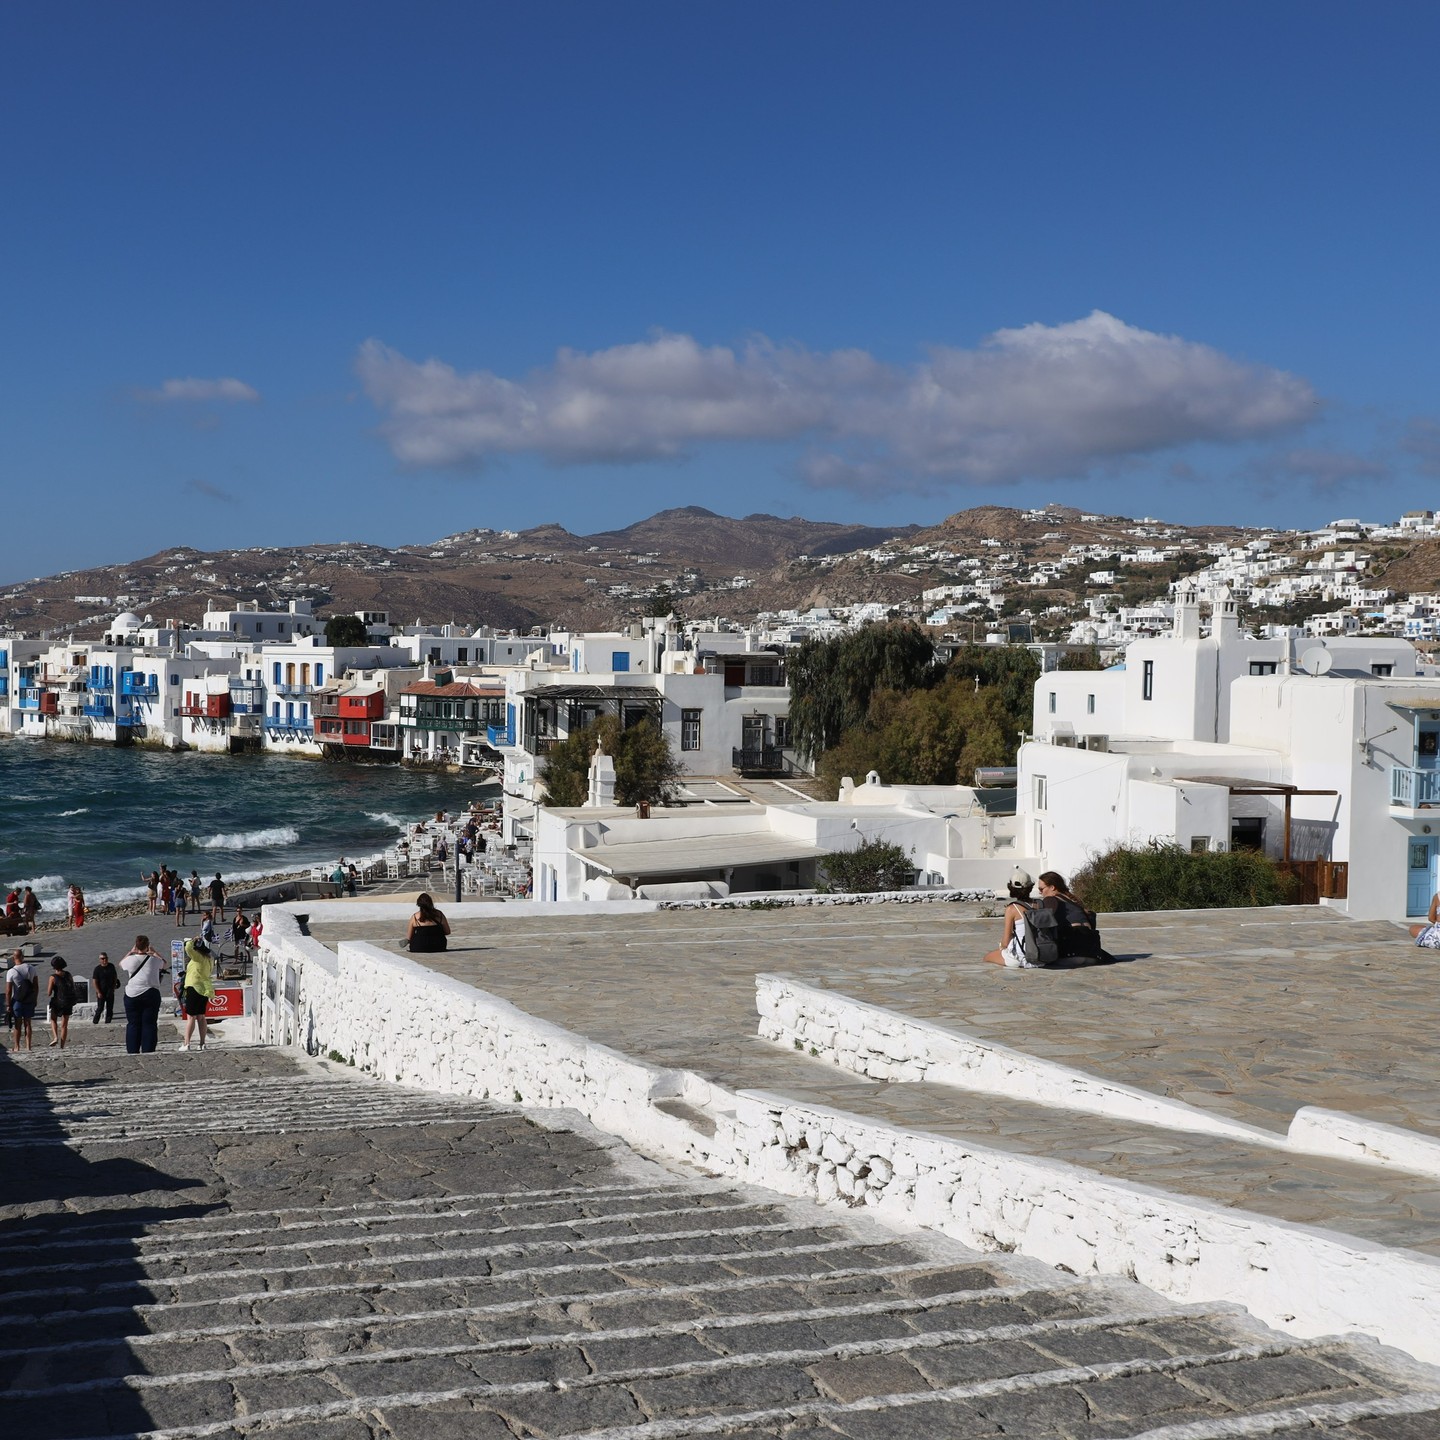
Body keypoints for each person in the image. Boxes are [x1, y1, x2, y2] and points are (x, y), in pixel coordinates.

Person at [1036, 871, 1106, 964]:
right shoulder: (1073, 901)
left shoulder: (1050, 900)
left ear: (1052, 887)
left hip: (1071, 955)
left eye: (1041, 889)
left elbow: (1041, 923)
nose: (1040, 892)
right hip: (1092, 955)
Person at [983, 869, 1040, 968]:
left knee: (987, 957)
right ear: (1030, 888)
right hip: (1042, 955)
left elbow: (1006, 941)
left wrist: (1002, 947)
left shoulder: (1012, 909)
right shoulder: (1039, 904)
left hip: (1022, 957)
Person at [120, 934, 166, 1054]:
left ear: (136, 945)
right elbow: (164, 963)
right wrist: (154, 952)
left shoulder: (130, 960)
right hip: (150, 992)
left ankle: (132, 1049)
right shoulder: (154, 960)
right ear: (147, 946)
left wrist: (130, 952)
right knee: (149, 1023)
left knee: (133, 1024)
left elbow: (121, 964)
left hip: (132, 994)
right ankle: (148, 1049)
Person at [179, 936, 215, 1051]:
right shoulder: (209, 959)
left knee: (191, 1017)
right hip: (205, 989)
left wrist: (192, 940)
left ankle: (187, 1043)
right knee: (201, 1016)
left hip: (194, 987)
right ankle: (202, 1043)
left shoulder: (197, 957)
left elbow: (188, 948)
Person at [6, 949, 37, 1051]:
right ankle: (28, 1046)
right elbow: (36, 986)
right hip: (29, 1000)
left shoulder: (11, 972)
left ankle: (17, 1046)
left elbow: (8, 991)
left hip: (17, 1001)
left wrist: (8, 1005)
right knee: (28, 1023)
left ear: (13, 958)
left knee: (17, 1024)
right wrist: (35, 999)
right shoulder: (31, 968)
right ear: (23, 957)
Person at [46, 956, 77, 1049]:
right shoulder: (68, 974)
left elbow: (49, 992)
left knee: (53, 1019)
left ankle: (55, 1037)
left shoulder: (53, 977)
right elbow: (72, 986)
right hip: (68, 1002)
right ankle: (62, 1046)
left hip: (58, 1002)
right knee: (64, 1025)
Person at [91, 950, 118, 1024]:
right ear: (100, 960)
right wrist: (98, 992)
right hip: (101, 991)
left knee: (110, 1008)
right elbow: (94, 981)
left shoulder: (111, 966)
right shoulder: (97, 969)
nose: (104, 960)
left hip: (110, 990)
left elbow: (115, 976)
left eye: (105, 958)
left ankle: (108, 1022)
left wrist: (113, 987)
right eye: (102, 959)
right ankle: (95, 1021)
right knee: (100, 1008)